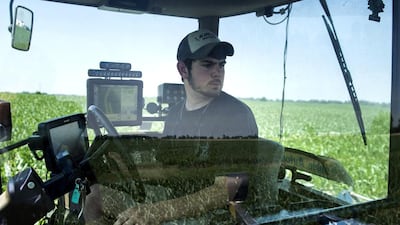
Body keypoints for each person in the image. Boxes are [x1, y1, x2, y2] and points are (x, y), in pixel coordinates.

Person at [163, 29, 258, 138]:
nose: (217, 73)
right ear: (183, 69)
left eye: (221, 65)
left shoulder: (236, 114)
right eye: (207, 64)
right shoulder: (173, 115)